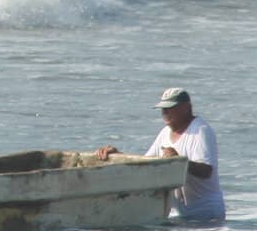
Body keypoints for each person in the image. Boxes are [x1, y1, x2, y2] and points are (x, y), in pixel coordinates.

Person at [96, 87, 225, 221]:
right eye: (163, 109)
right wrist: (117, 155)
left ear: (186, 108)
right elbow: (145, 163)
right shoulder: (165, 133)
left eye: (169, 108)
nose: (164, 112)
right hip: (180, 215)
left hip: (207, 215)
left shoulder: (201, 130)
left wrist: (179, 161)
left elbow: (206, 171)